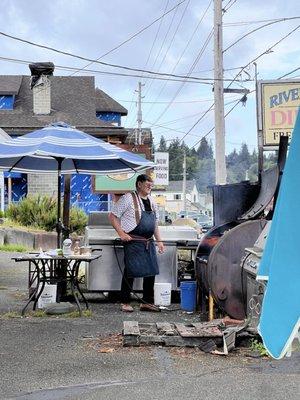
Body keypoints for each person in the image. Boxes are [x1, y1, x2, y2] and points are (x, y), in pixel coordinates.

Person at [109, 174, 165, 312]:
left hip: (148, 241)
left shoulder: (152, 201)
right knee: (131, 271)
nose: (150, 187)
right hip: (132, 240)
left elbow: (155, 223)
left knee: (150, 271)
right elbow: (112, 216)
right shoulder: (128, 198)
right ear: (139, 184)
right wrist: (122, 234)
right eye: (147, 184)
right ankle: (125, 302)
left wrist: (159, 241)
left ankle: (146, 302)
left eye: (151, 185)